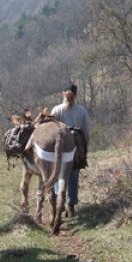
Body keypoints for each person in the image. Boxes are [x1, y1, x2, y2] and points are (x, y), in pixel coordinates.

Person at [51, 83, 90, 215]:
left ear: (63, 94)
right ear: (76, 95)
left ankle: (58, 200)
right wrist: (84, 148)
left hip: (60, 147)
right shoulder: (82, 111)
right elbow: (86, 133)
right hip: (76, 147)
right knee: (73, 176)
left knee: (57, 174)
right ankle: (71, 205)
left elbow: (51, 130)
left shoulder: (57, 110)